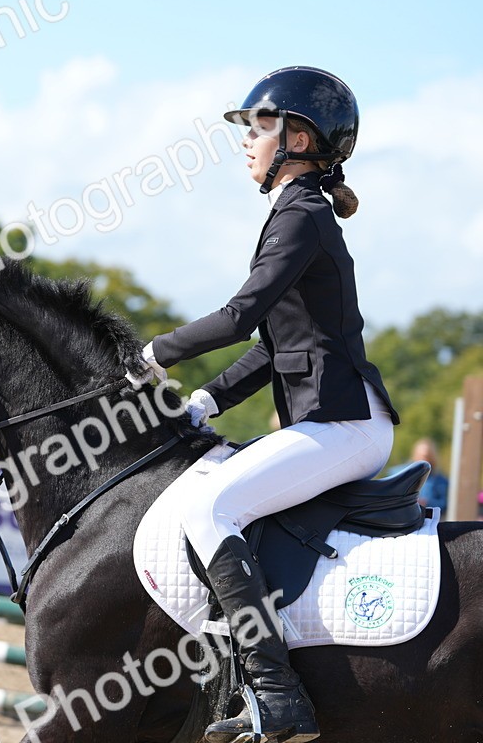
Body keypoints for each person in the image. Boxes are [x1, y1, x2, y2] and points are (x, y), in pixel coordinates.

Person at [128, 67, 398, 743]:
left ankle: (276, 696)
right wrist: (205, 401)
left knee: (208, 506)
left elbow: (240, 316)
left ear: (298, 138)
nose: (246, 141)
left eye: (259, 127)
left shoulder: (301, 214)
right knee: (216, 500)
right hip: (336, 416)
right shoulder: (297, 212)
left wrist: (153, 353)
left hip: (345, 422)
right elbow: (279, 346)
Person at [406, 438, 448, 515]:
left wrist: (427, 503)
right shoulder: (405, 476)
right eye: (420, 456)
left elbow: (445, 504)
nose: (422, 459)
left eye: (426, 456)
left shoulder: (440, 481)